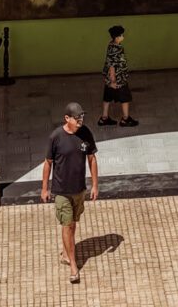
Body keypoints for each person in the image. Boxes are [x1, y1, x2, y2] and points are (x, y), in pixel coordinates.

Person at [41, 102, 98, 284]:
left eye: (82, 117)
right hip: (61, 192)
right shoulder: (56, 137)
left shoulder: (85, 133)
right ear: (67, 118)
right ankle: (73, 266)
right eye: (77, 117)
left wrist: (95, 185)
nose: (80, 120)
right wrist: (44, 188)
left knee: (73, 224)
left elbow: (92, 158)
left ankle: (66, 252)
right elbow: (48, 163)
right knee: (67, 224)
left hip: (79, 190)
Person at [98, 24, 138, 127]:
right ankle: (125, 119)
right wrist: (113, 81)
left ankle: (104, 118)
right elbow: (112, 65)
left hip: (110, 79)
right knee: (125, 98)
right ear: (117, 37)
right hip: (118, 80)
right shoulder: (117, 49)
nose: (123, 37)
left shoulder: (111, 45)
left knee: (107, 97)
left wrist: (110, 80)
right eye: (122, 35)